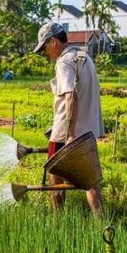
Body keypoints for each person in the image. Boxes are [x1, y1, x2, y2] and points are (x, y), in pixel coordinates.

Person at [33, 22, 104, 215]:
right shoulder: (84, 57)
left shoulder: (64, 62)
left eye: (44, 48)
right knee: (91, 181)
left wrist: (70, 133)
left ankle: (58, 221)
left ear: (53, 41)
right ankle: (102, 224)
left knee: (55, 174)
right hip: (87, 133)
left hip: (66, 134)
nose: (45, 53)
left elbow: (70, 96)